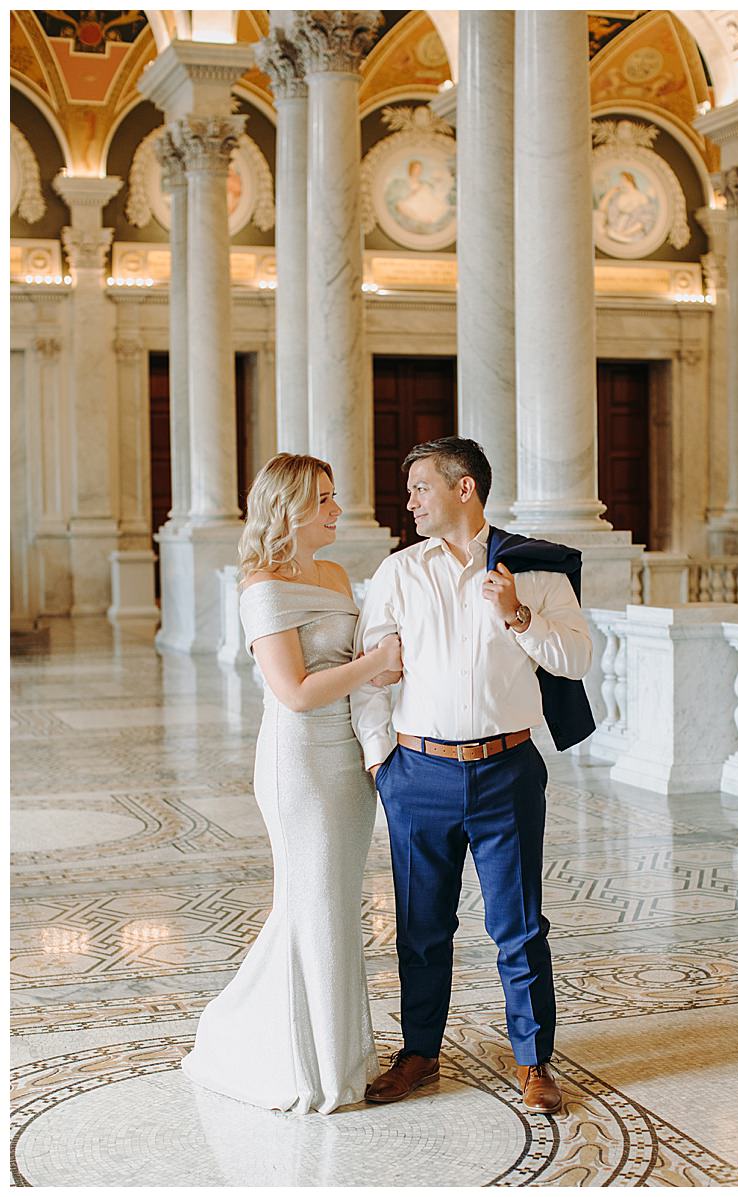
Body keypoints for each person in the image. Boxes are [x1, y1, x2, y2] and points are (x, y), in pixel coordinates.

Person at [352, 437, 592, 1113]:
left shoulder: (535, 569)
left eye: (421, 488)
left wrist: (517, 612)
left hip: (506, 770)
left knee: (519, 926)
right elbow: (372, 672)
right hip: (417, 773)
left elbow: (576, 658)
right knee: (420, 926)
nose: (411, 502)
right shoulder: (399, 571)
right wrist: (380, 760)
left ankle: (533, 1061)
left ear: (464, 489)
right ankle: (420, 1052)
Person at [183, 454, 404, 1114]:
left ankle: (343, 1056)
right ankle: (306, 1065)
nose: (338, 508)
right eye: (326, 499)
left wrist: (383, 670)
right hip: (300, 762)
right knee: (313, 903)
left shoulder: (335, 573)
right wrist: (372, 662)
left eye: (336, 496)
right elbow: (297, 691)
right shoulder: (262, 585)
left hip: (348, 762)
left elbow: (362, 664)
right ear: (290, 508)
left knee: (333, 905)